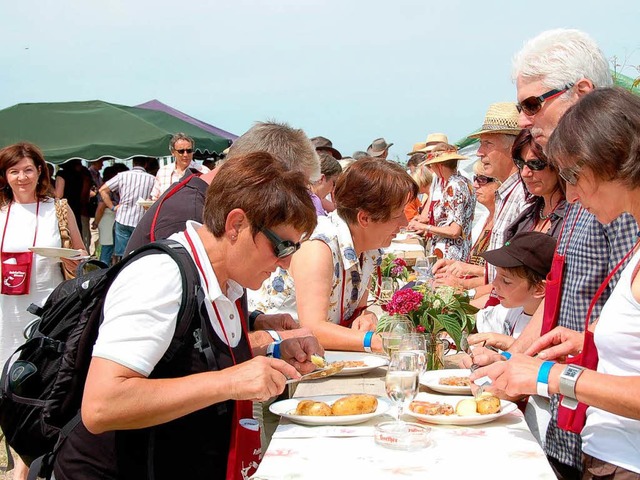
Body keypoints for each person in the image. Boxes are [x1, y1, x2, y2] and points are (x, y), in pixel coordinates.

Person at [53, 151, 323, 480]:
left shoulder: (224, 282)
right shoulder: (162, 275)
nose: (286, 262)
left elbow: (188, 361)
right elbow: (101, 405)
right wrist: (230, 382)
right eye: (283, 246)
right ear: (236, 224)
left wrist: (276, 352)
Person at [468, 29, 638, 479]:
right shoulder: (596, 193)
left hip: (610, 439)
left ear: (582, 93)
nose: (524, 120)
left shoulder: (618, 202)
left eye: (530, 104)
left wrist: (546, 376)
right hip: (580, 431)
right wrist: (518, 363)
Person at [249, 157, 418, 353]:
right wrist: (374, 341)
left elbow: (357, 310)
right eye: (398, 215)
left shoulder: (368, 248)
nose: (405, 222)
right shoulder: (319, 246)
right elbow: (312, 329)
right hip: (273, 358)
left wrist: (368, 316)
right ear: (364, 218)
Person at [0, 142, 86, 480]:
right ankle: (19, 457)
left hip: (47, 311)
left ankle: (27, 466)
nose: (21, 177)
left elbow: (81, 256)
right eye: (14, 171)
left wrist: (70, 258)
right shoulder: (1, 211)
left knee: (40, 384)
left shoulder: (57, 210)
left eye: (28, 170)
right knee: (7, 384)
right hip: (5, 309)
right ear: (5, 176)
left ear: (40, 173)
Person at [432, 103, 526, 302]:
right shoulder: (506, 195)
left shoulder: (522, 197)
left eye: (487, 144)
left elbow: (516, 280)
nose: (479, 152)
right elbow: (497, 276)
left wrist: (465, 291)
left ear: (514, 147)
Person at [408, 147, 476, 261]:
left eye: (432, 166)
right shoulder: (464, 182)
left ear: (439, 166)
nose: (431, 170)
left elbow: (454, 231)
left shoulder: (454, 187)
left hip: (450, 255)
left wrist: (425, 227)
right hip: (460, 251)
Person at [505, 129, 566, 240]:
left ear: (557, 163)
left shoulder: (576, 217)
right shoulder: (525, 218)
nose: (525, 173)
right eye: (520, 163)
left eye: (535, 163)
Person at [98, 157, 154, 262]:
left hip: (122, 218)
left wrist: (112, 207)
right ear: (146, 164)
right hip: (140, 219)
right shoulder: (152, 179)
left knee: (122, 255)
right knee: (138, 254)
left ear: (133, 163)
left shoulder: (122, 176)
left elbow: (102, 190)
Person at [149, 133, 210, 201]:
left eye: (189, 151)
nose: (185, 154)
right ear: (173, 152)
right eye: (181, 151)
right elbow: (155, 199)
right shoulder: (163, 171)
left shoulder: (204, 171)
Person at [54, 158, 92, 248]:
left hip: (64, 209)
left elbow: (59, 194)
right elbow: (85, 194)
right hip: (77, 207)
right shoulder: (81, 176)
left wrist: (48, 188)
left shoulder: (61, 174)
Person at [91, 165, 122, 265]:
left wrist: (96, 222)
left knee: (107, 247)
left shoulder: (106, 189)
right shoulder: (109, 190)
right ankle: (103, 270)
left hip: (107, 220)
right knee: (107, 248)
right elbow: (101, 207)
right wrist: (96, 222)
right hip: (108, 220)